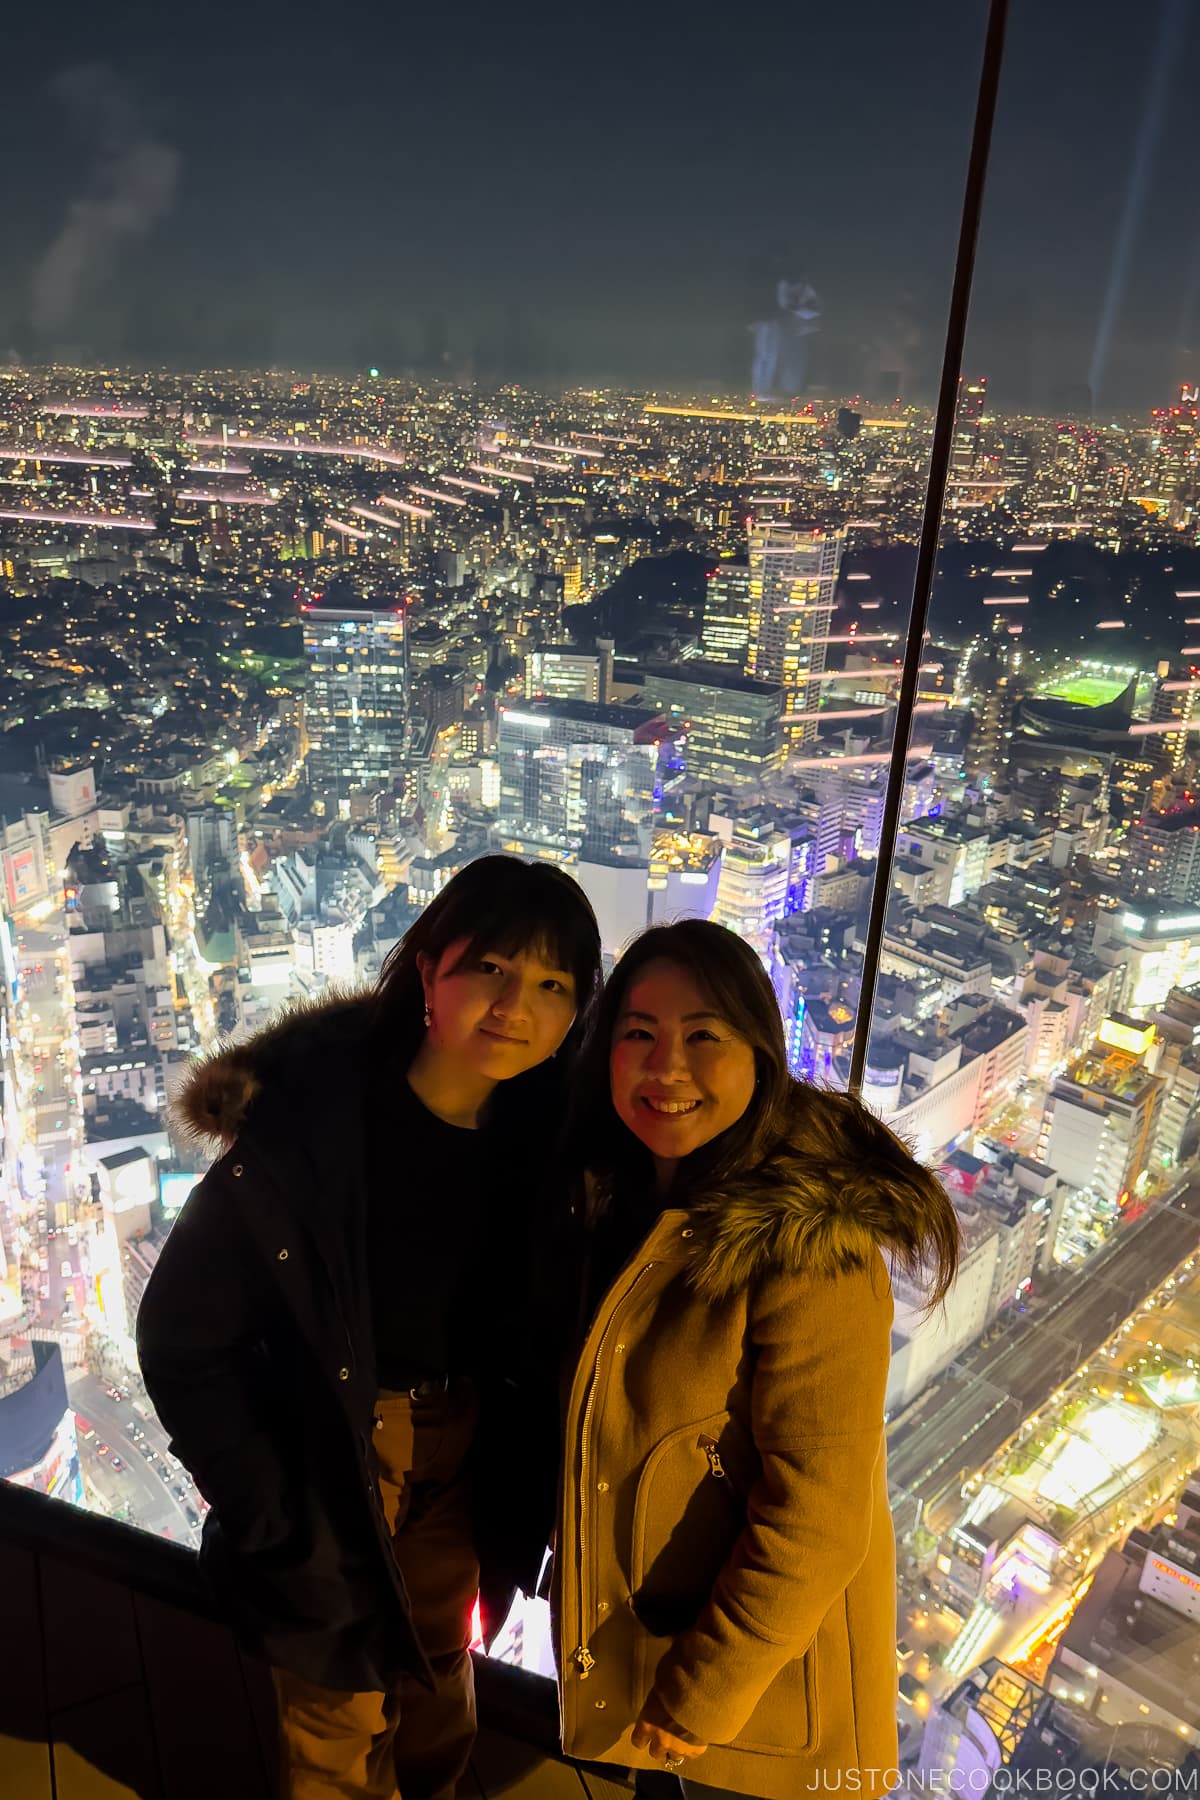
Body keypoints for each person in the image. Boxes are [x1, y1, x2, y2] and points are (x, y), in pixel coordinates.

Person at [137, 856, 602, 1800]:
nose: (517, 1005)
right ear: (429, 969)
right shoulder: (311, 1129)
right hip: (333, 1454)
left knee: (439, 1694)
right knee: (333, 1725)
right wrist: (271, 1514)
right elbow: (184, 1338)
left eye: (554, 985)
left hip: (462, 1455)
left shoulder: (555, 1143)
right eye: (491, 970)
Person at [553, 920, 959, 1800]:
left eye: (704, 1036)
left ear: (762, 1057)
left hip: (762, 1728)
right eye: (638, 1034)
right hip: (663, 1686)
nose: (665, 1067)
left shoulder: (814, 1249)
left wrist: (703, 1693)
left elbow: (820, 1518)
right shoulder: (628, 1206)